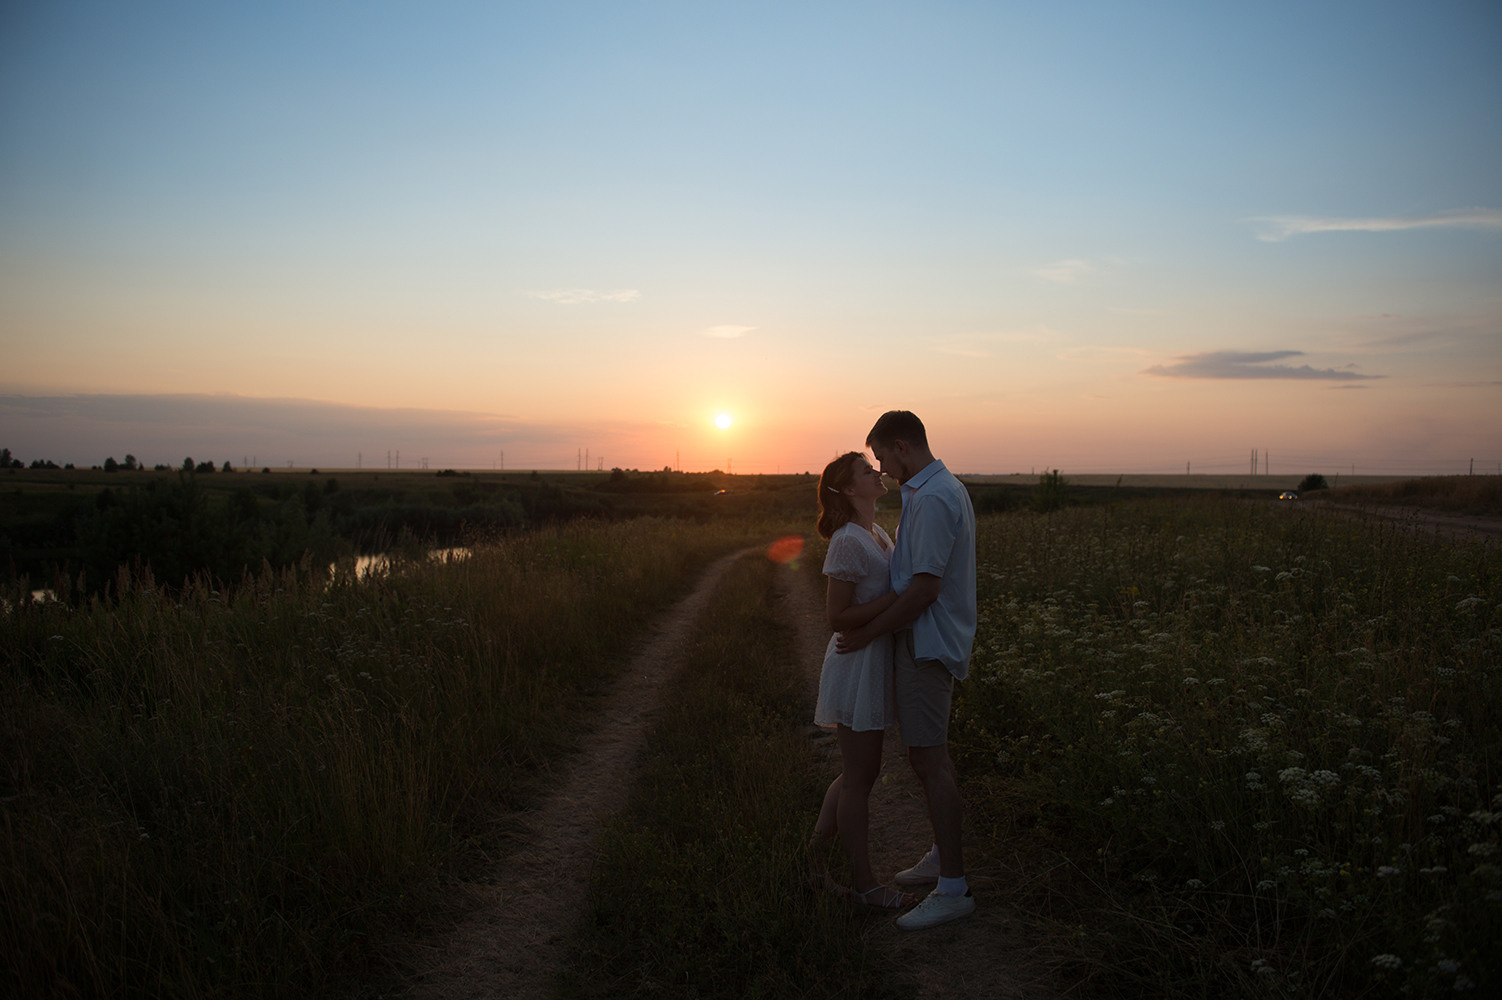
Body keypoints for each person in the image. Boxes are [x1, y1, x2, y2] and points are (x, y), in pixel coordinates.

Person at [836, 410, 977, 930]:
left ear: (900, 446)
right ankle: (942, 857)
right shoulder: (927, 491)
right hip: (921, 642)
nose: (882, 470)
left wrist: (868, 633)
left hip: (928, 643)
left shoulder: (936, 497)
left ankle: (954, 888)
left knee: (929, 762)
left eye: (880, 459)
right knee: (926, 758)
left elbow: (924, 589)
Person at [808, 451, 915, 911]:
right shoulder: (848, 540)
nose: (877, 473)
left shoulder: (877, 534)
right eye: (866, 472)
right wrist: (896, 598)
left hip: (872, 659)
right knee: (860, 778)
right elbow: (836, 617)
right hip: (855, 664)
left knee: (857, 774)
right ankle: (867, 886)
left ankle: (810, 863)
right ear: (850, 490)